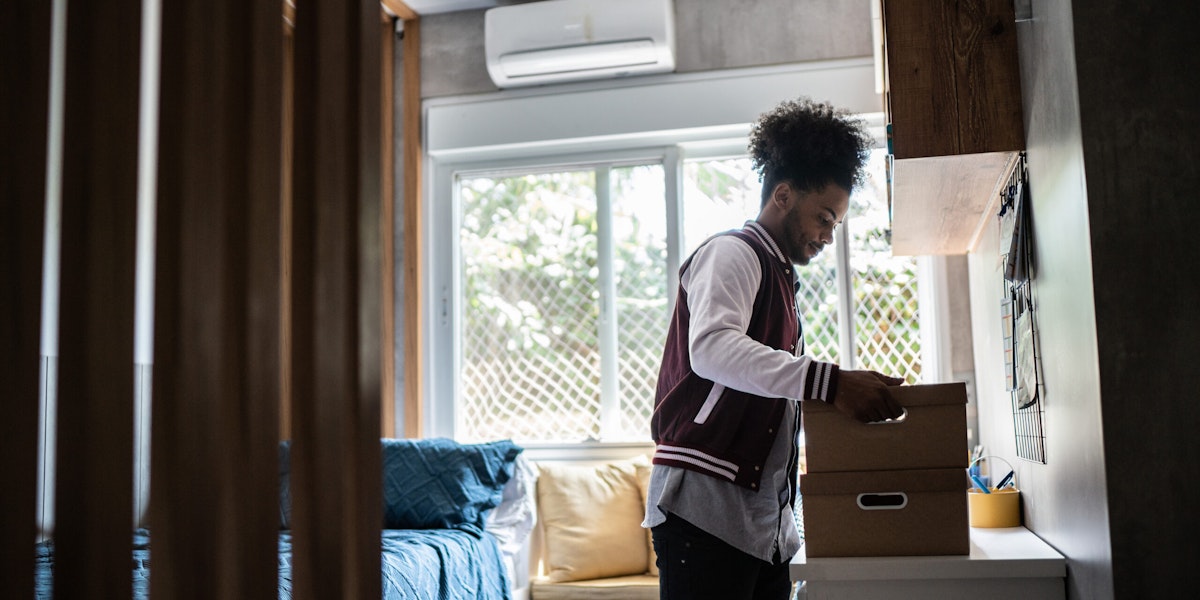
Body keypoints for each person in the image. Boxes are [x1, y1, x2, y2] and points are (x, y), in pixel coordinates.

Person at [642, 97, 905, 600]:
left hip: (761, 524)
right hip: (706, 511)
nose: (828, 236)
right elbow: (713, 350)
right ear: (783, 195)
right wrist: (831, 383)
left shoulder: (779, 278)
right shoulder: (733, 254)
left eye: (835, 225)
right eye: (824, 218)